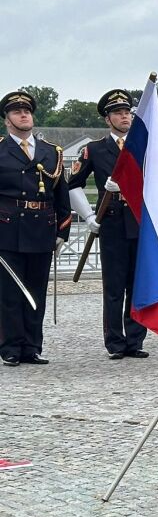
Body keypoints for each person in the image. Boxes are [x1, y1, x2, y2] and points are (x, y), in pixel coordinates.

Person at [68, 89, 150, 359]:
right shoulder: (94, 149)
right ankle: (115, 341)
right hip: (112, 223)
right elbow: (74, 186)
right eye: (118, 113)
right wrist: (89, 216)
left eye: (127, 112)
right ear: (108, 119)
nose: (124, 116)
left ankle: (135, 339)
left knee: (137, 284)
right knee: (114, 286)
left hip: (139, 222)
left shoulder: (143, 145)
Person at [0, 91, 69, 366]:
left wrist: (63, 231)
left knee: (36, 291)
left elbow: (60, 194)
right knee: (9, 293)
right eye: (17, 111)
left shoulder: (51, 152)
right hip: (8, 229)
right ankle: (10, 347)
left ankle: (32, 346)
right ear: (7, 120)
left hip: (42, 228)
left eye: (27, 110)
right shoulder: (2, 151)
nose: (23, 115)